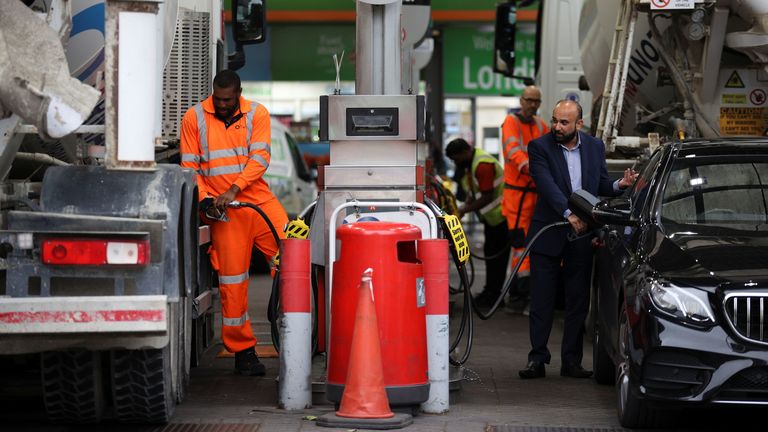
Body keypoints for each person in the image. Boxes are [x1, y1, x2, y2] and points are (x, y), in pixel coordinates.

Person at [518, 100, 636, 379]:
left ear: (579, 124)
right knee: (543, 300)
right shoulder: (539, 147)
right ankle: (538, 359)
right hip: (549, 232)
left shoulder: (594, 147)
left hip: (581, 234)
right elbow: (547, 187)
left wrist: (621, 185)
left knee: (578, 300)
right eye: (555, 120)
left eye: (564, 122)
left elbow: (601, 184)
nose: (557, 127)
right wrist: (570, 213)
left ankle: (571, 361)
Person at [180, 69, 288, 376]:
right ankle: (243, 352)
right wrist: (205, 200)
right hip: (223, 211)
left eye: (228, 100)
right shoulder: (194, 117)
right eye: (218, 98)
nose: (222, 104)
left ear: (239, 94)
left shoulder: (257, 113)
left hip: (257, 201)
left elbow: (260, 159)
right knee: (232, 282)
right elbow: (190, 166)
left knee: (293, 259)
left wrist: (233, 189)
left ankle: (301, 334)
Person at [500, 85, 549, 314]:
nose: (532, 104)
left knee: (533, 245)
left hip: (535, 195)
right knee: (521, 247)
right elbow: (512, 151)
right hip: (517, 197)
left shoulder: (541, 125)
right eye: (528, 100)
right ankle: (518, 297)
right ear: (521, 100)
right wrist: (532, 168)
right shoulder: (511, 122)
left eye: (536, 101)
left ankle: (524, 296)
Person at [445, 138, 509, 309]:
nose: (455, 162)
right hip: (493, 220)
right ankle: (490, 292)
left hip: (502, 217)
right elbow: (475, 192)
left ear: (465, 152)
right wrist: (464, 205)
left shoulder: (482, 165)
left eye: (456, 158)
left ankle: (495, 296)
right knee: (491, 256)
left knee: (497, 260)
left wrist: (463, 211)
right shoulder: (472, 163)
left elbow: (487, 196)